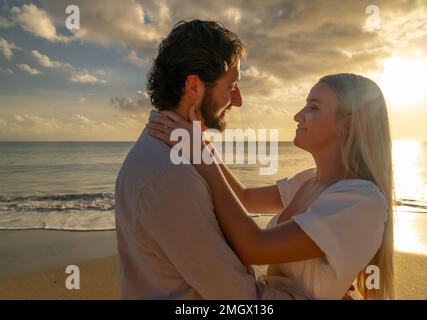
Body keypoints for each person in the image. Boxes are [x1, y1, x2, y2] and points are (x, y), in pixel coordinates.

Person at [148, 73, 395, 300]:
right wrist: (199, 140)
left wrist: (199, 155)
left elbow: (255, 248)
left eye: (313, 108)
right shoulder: (308, 181)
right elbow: (244, 198)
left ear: (348, 125)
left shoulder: (360, 201)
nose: (298, 115)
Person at [114, 19, 307, 299]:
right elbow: (237, 297)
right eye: (231, 86)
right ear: (194, 86)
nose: (238, 100)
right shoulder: (171, 174)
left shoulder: (174, 153)